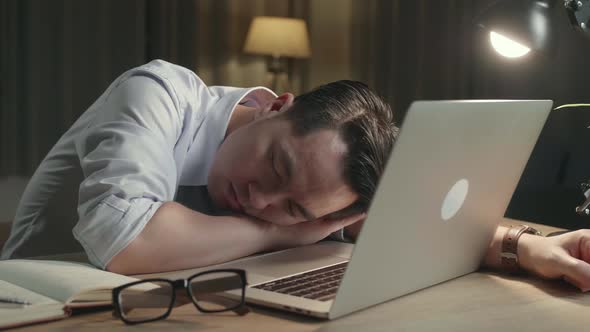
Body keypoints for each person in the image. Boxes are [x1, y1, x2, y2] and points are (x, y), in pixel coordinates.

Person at [1, 60, 589, 292]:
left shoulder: (315, 195)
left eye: (296, 208)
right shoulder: (158, 94)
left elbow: (411, 220)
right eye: (277, 165)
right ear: (279, 106)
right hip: (39, 305)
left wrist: (524, 247)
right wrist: (284, 232)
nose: (260, 199)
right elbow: (124, 240)